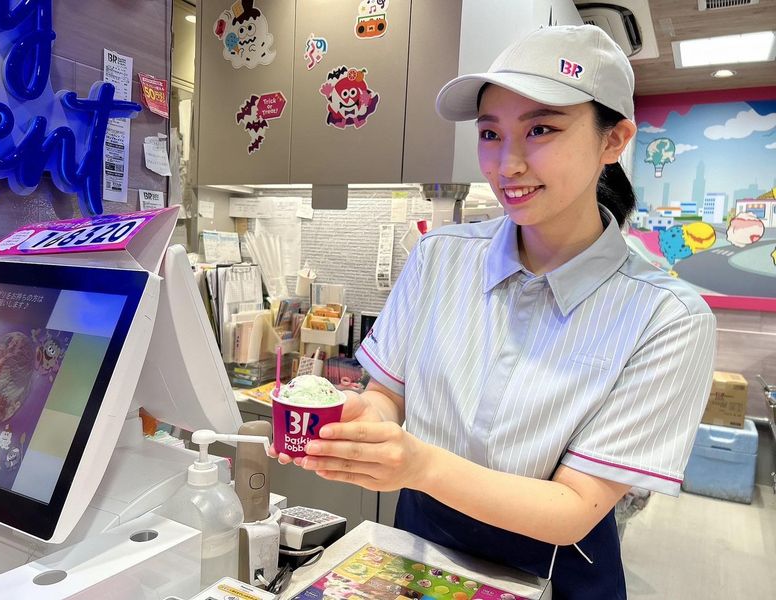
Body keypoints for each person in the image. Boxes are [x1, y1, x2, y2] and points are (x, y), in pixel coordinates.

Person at [270, 25, 716, 598]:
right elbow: (388, 397)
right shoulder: (438, 258)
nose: (508, 164)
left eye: (541, 129)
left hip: (556, 570)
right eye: (489, 133)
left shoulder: (667, 318)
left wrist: (418, 465)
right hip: (418, 551)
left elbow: (574, 506)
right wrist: (364, 428)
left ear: (614, 140)